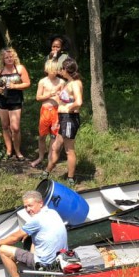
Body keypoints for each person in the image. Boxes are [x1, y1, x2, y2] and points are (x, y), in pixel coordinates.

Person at [0, 190, 68, 277]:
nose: (27, 210)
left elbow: (14, 238)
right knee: (34, 239)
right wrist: (28, 233)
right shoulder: (53, 212)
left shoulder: (36, 220)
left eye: (30, 205)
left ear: (40, 203)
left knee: (3, 250)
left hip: (46, 265)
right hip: (61, 261)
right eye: (25, 207)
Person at [43, 57, 84, 188]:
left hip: (69, 119)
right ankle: (46, 172)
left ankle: (70, 178)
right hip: (63, 119)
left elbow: (79, 102)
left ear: (66, 70)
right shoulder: (68, 83)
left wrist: (69, 108)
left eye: (61, 68)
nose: (60, 70)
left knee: (69, 150)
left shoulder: (75, 83)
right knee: (55, 147)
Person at [0, 47, 31, 160]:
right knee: (5, 125)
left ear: (14, 57)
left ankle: (18, 151)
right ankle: (9, 150)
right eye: (6, 57)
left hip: (15, 99)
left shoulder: (20, 68)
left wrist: (14, 86)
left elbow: (27, 83)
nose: (9, 59)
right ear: (3, 59)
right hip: (1, 100)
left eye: (11, 57)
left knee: (15, 127)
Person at [30, 58, 64, 168]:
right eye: (53, 70)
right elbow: (38, 97)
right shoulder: (43, 82)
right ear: (47, 70)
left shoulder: (61, 82)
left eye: (56, 69)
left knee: (54, 135)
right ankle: (40, 157)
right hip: (45, 110)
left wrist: (60, 98)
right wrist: (49, 94)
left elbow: (64, 98)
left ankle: (50, 158)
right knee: (42, 136)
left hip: (56, 111)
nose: (55, 72)